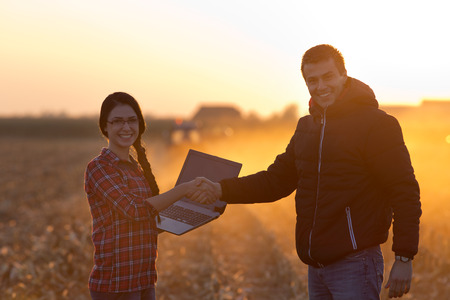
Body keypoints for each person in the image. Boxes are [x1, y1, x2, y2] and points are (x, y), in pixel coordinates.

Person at [198, 45, 422, 299]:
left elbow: (404, 190)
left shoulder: (377, 124)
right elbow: (275, 181)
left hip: (356, 264)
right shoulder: (307, 126)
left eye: (328, 77)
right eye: (312, 80)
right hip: (316, 267)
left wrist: (404, 257)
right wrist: (221, 189)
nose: (321, 86)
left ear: (343, 74)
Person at [84, 92, 213, 300]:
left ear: (140, 124)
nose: (126, 127)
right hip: (116, 285)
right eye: (118, 121)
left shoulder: (136, 169)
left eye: (132, 120)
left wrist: (192, 213)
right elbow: (134, 210)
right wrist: (183, 189)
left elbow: (146, 218)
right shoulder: (99, 168)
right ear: (105, 126)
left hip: (144, 279)